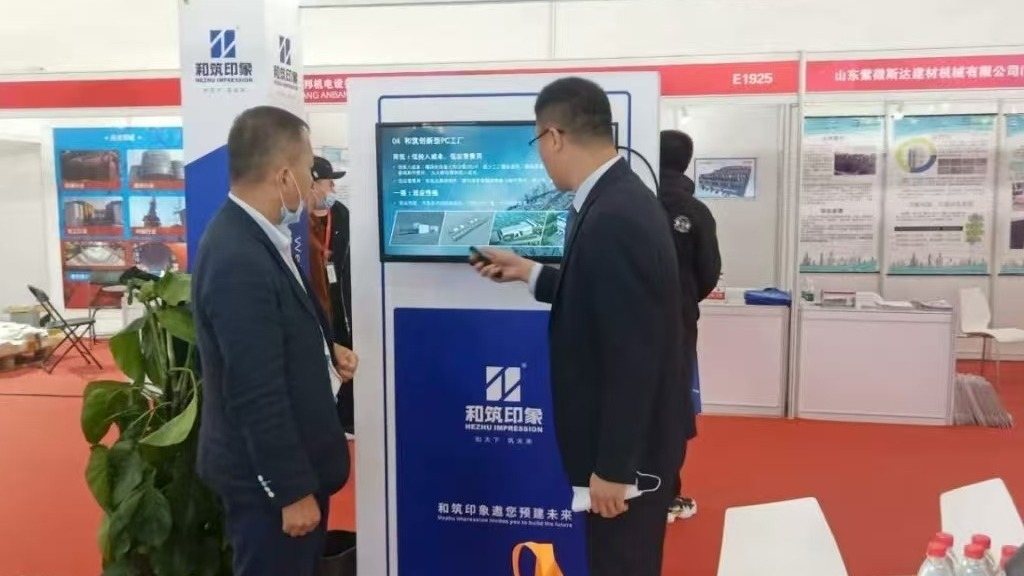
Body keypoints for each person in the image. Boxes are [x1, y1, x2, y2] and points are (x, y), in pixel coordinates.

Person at [472, 77, 691, 576]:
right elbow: (606, 303)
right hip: (628, 447)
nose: (540, 156)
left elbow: (634, 354)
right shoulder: (613, 198)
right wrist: (529, 272)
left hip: (628, 461)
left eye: (537, 142)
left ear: (553, 136)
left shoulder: (615, 214)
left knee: (622, 564)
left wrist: (615, 468)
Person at [192, 105, 359, 576]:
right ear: (284, 175)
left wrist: (324, 351)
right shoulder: (237, 256)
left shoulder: (259, 236)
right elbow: (253, 388)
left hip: (294, 468)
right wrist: (290, 489)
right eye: (308, 170)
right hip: (269, 488)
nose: (311, 183)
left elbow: (271, 333)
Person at [658, 129, 722, 524]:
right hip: (677, 324)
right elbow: (708, 273)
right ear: (687, 162)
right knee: (673, 406)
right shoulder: (696, 212)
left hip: (628, 322)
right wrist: (683, 301)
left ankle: (631, 488)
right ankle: (667, 496)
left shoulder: (633, 203)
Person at [308, 155, 355, 437]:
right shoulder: (297, 221)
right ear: (312, 184)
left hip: (340, 301)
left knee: (344, 352)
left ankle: (346, 420)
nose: (333, 189)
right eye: (329, 183)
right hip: (312, 302)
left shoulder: (343, 216)